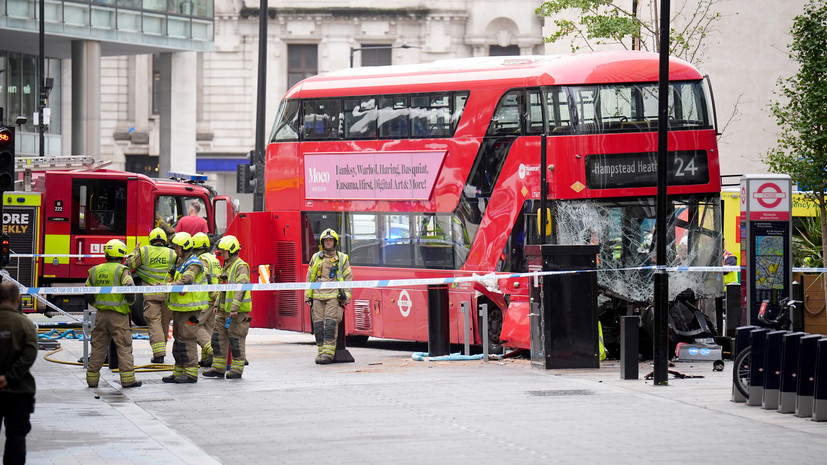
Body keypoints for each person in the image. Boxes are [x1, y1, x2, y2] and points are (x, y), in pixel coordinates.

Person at [85, 239, 142, 389]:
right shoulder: (121, 270)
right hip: (119, 317)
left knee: (98, 348)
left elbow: (88, 292)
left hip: (101, 316)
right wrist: (129, 303)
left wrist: (96, 304)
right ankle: (128, 380)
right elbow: (130, 288)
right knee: (124, 347)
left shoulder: (95, 270)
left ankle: (92, 380)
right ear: (121, 254)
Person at [203, 235, 252, 379]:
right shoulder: (227, 265)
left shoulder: (240, 266)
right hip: (224, 311)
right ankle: (218, 368)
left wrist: (235, 307)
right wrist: (218, 304)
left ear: (231, 251)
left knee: (236, 340)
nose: (221, 254)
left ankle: (237, 370)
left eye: (223, 251)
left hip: (237, 313)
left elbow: (241, 287)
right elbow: (223, 288)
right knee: (218, 339)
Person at [164, 232, 210, 384]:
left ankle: (191, 374)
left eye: (177, 247)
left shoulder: (193, 264)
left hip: (190, 309)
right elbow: (173, 277)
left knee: (187, 340)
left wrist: (168, 286)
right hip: (179, 308)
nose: (175, 250)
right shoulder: (180, 261)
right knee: (178, 340)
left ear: (184, 248)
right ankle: (178, 372)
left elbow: (187, 280)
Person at [125, 228, 176, 363]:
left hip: (151, 295)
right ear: (164, 240)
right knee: (164, 324)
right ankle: (161, 350)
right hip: (167, 295)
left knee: (154, 324)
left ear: (151, 239)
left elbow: (128, 265)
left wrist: (135, 251)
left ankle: (159, 354)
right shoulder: (173, 253)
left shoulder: (145, 251)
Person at [0, 281, 37, 465]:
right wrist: (9, 377)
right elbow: (30, 353)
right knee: (16, 437)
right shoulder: (25, 324)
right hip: (19, 391)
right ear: (18, 299)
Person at [304, 228, 352, 364]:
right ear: (323, 242)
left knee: (330, 325)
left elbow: (349, 279)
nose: (328, 242)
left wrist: (346, 298)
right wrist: (308, 296)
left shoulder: (342, 258)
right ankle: (321, 352)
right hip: (318, 298)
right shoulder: (316, 258)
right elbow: (309, 278)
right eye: (326, 240)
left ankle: (329, 354)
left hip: (333, 297)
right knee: (318, 326)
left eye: (330, 240)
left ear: (334, 242)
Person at [192, 232, 221, 368]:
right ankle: (206, 359)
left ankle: (213, 352)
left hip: (205, 298)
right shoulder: (213, 258)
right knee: (208, 328)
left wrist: (210, 293)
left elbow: (206, 277)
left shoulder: (202, 260)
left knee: (195, 326)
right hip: (213, 298)